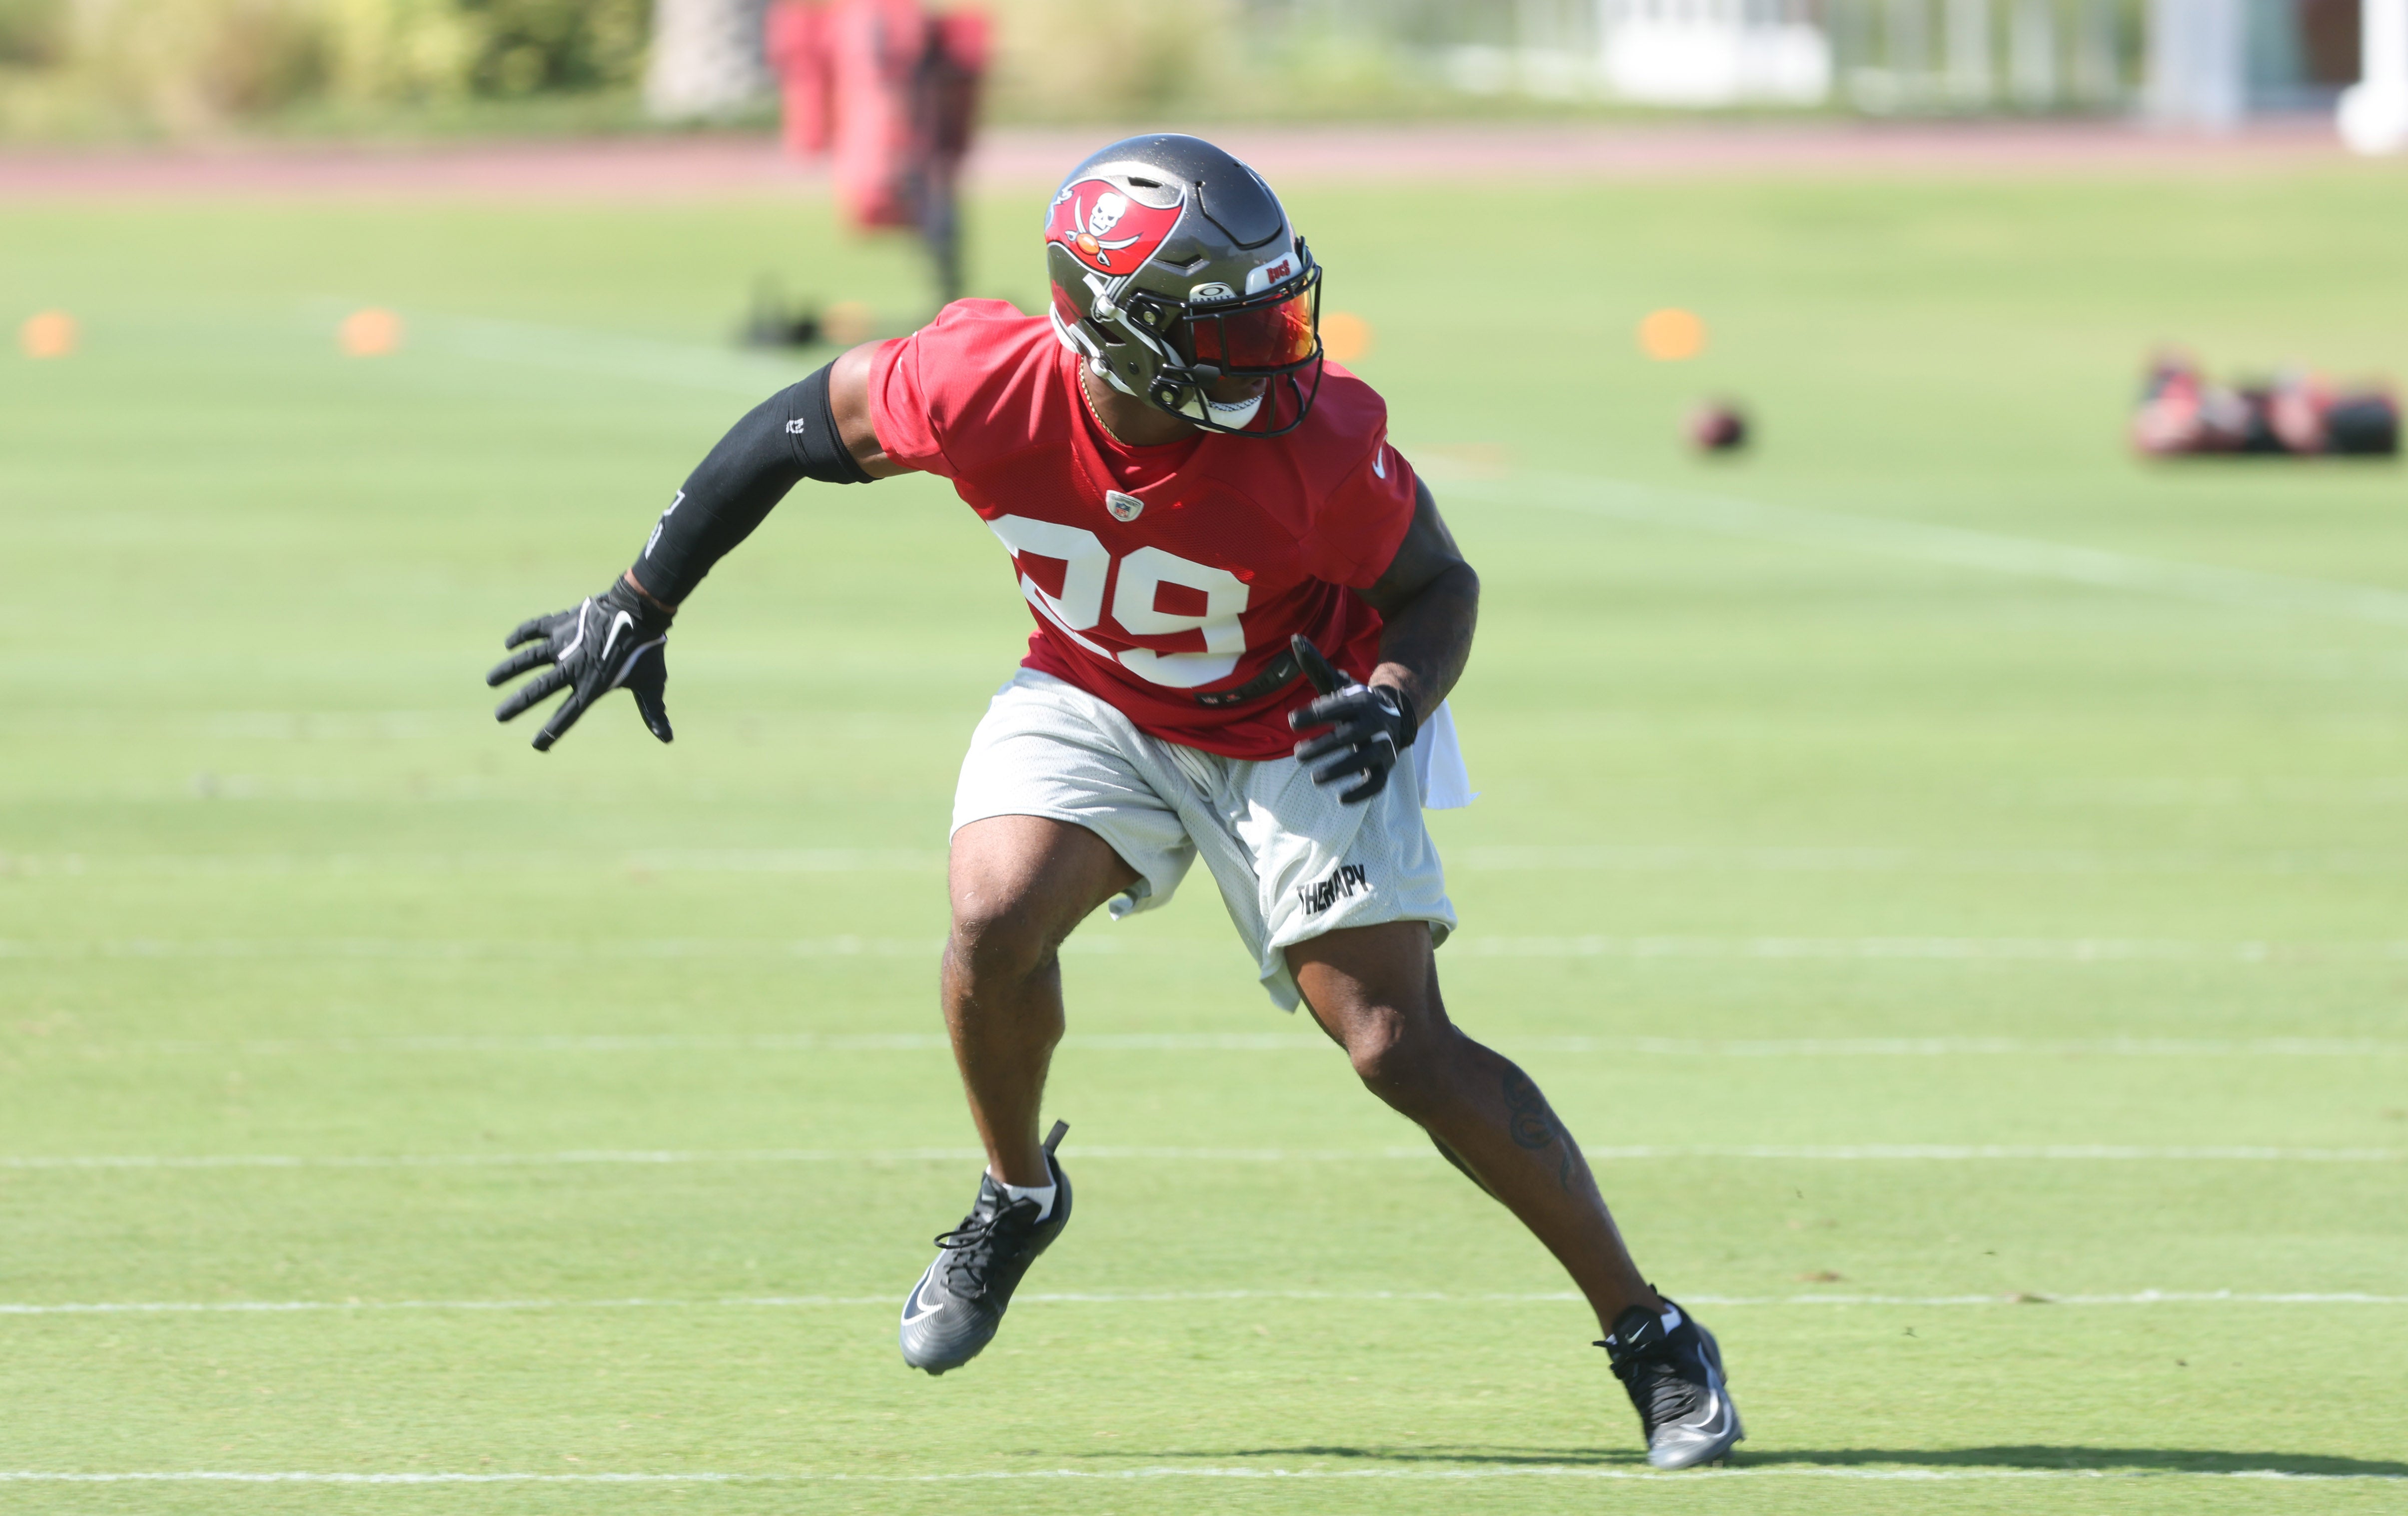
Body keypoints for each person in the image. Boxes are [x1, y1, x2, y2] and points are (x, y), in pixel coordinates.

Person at [484, 134, 1743, 1471]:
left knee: (1394, 1048)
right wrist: (637, 598)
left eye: (1277, 308)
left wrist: (1391, 698)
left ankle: (1651, 1332)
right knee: (992, 913)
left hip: (1298, 720)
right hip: (1094, 696)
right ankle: (1015, 1194)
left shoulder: (1317, 442)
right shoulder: (982, 381)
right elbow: (792, 427)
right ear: (1110, 326)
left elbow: (1439, 588)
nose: (1277, 349)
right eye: (1232, 325)